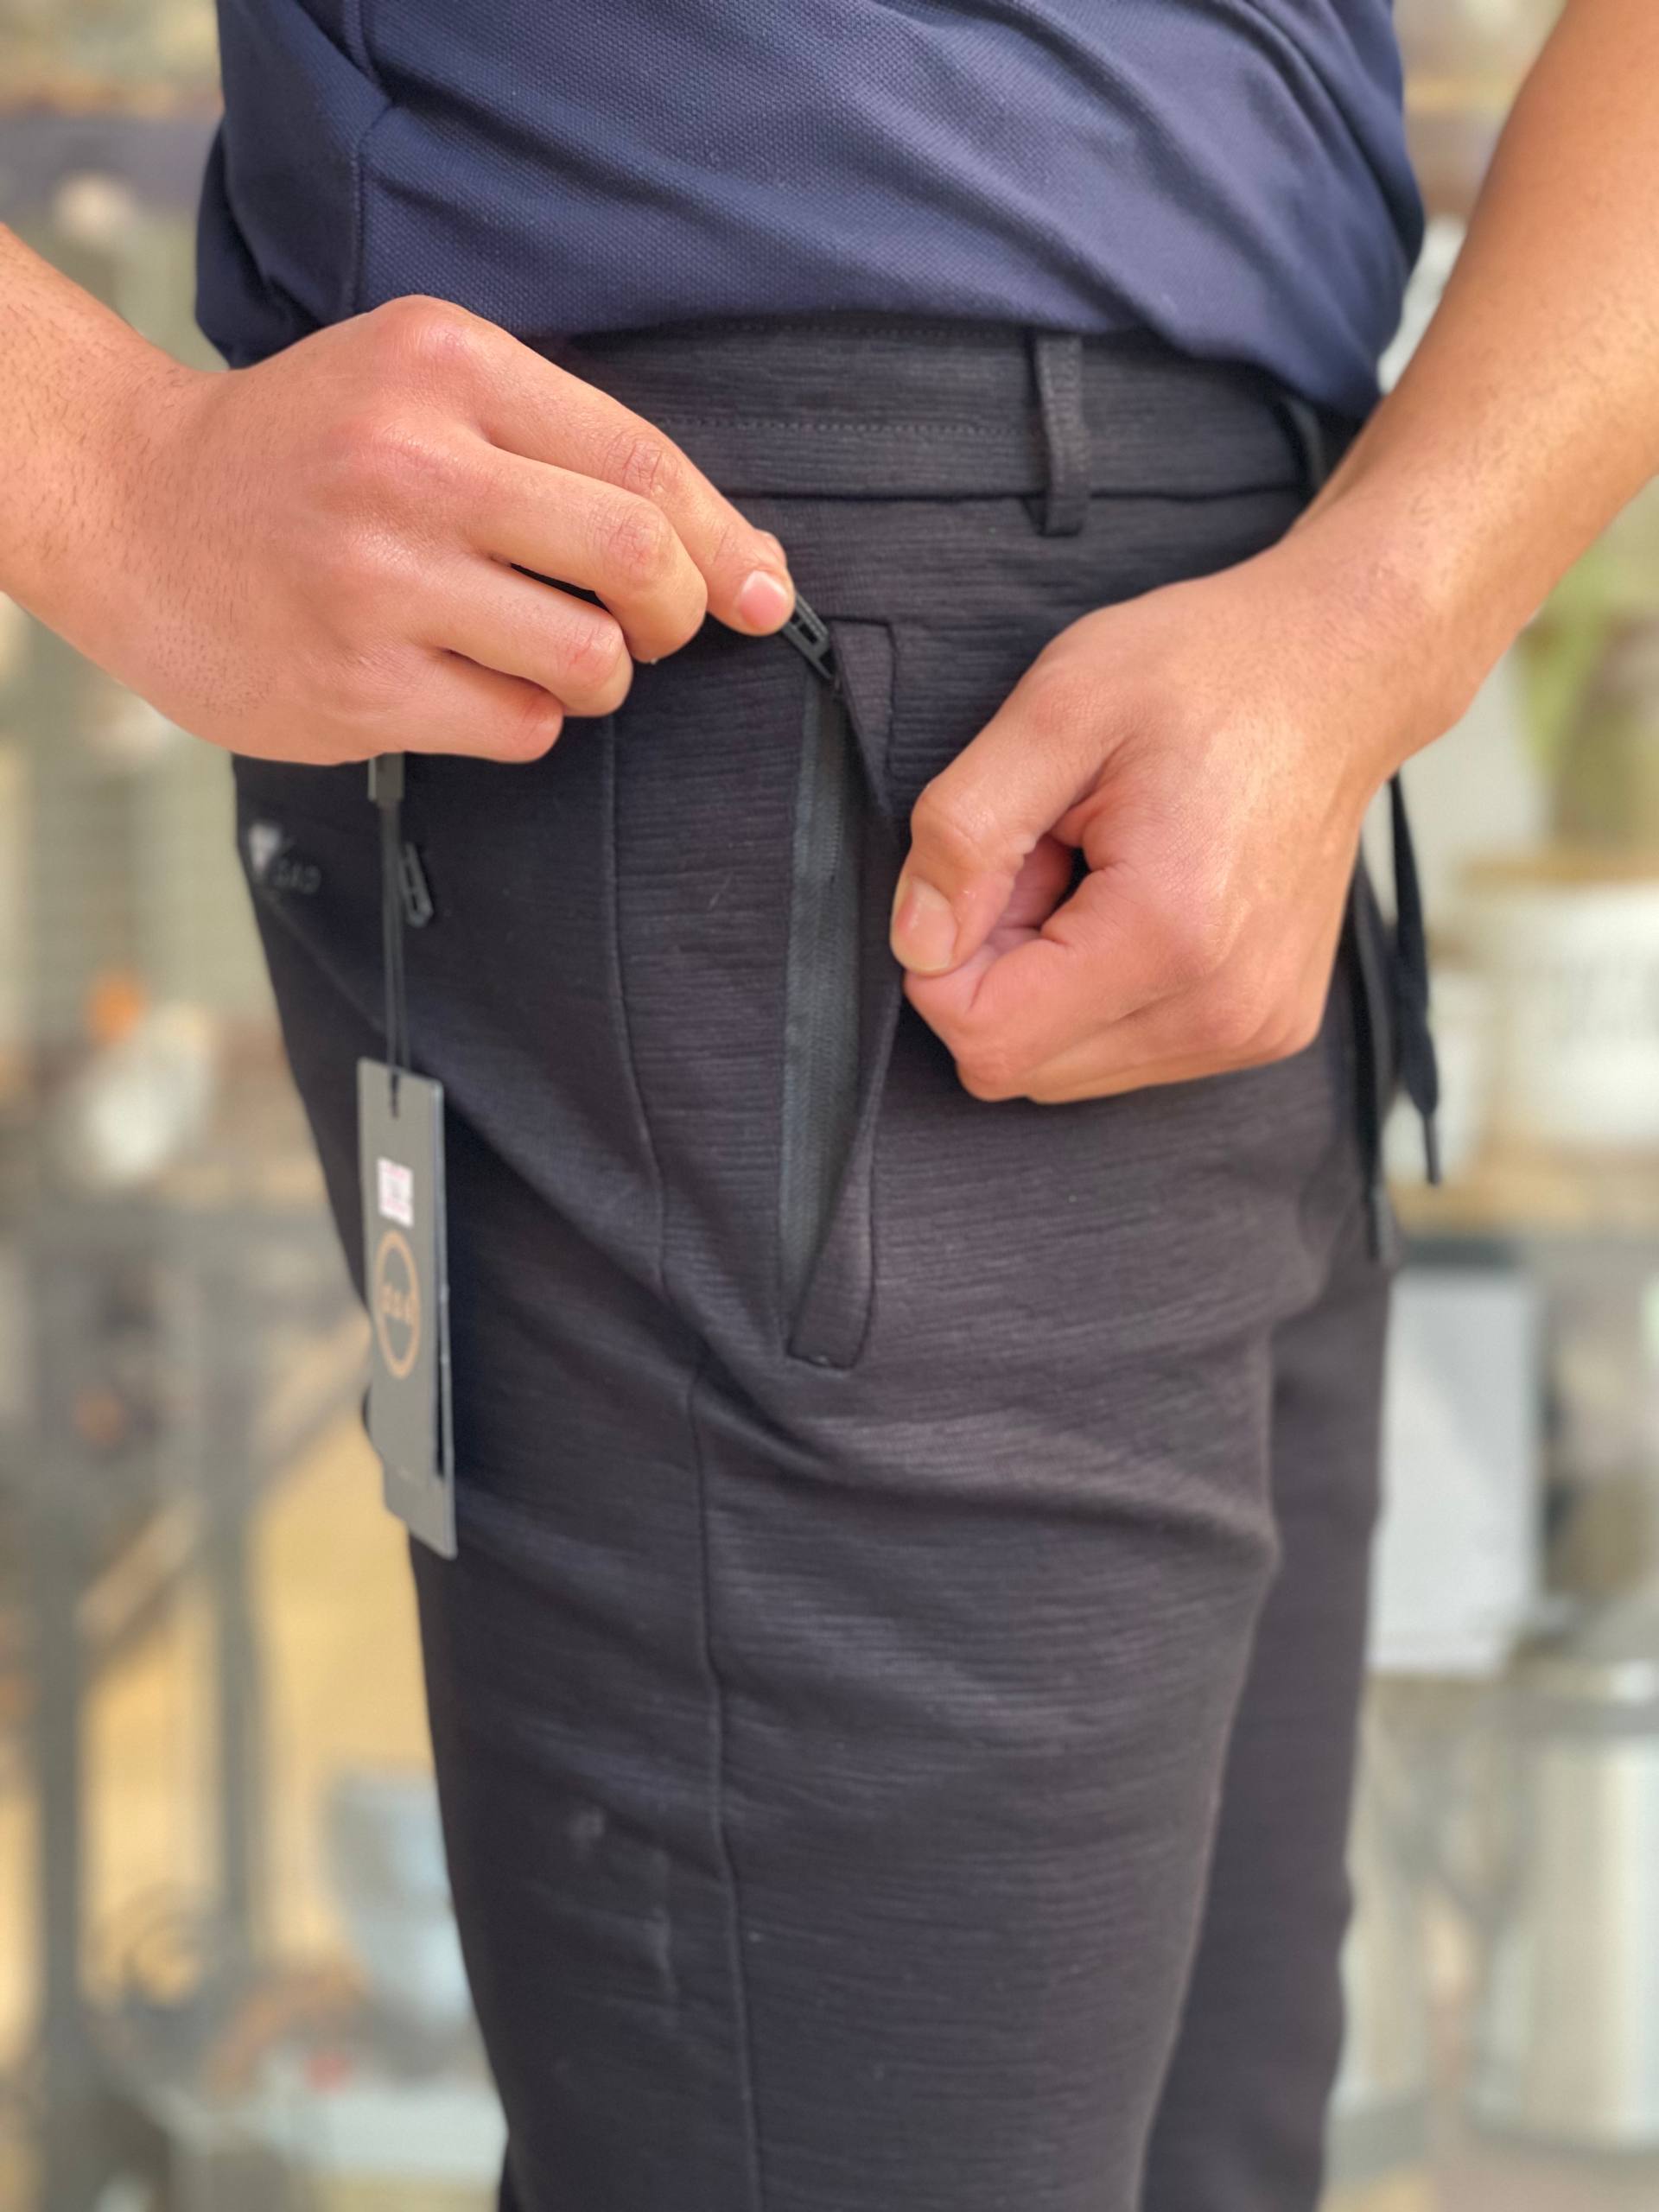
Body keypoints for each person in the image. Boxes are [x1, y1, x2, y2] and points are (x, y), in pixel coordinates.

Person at [3, 3, 1657, 2205]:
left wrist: (1379, 621)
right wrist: (99, 464)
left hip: (1271, 671)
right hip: (722, 639)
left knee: (1217, 2144)